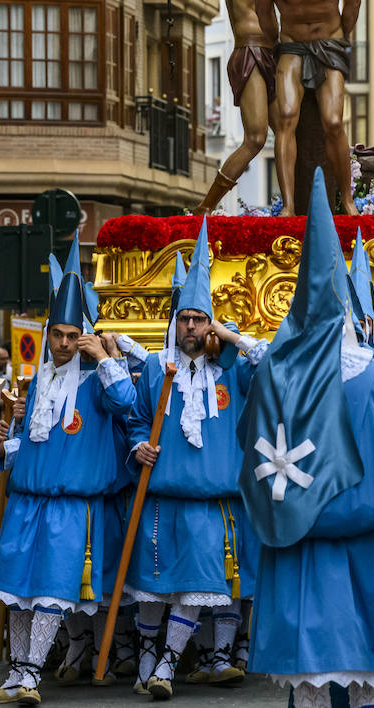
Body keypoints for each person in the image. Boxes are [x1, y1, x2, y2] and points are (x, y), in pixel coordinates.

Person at [240, 168, 374, 708]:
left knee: (313, 674)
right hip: (369, 532)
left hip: (300, 537)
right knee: (372, 665)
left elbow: (250, 447)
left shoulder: (272, 375)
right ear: (347, 311)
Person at [0, 237, 137, 702]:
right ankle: (18, 672)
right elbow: (36, 440)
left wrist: (104, 357)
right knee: (19, 590)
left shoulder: (98, 381)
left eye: (74, 336)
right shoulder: (38, 379)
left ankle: (31, 672)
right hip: (27, 499)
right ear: (47, 334)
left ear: (83, 336)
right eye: (58, 335)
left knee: (51, 589)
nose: (65, 344)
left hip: (73, 506)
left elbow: (127, 403)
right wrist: (2, 448)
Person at [126, 219, 269, 699]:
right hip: (160, 500)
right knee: (152, 590)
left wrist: (230, 337)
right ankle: (147, 666)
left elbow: (273, 365)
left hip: (214, 504)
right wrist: (136, 445)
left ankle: (167, 666)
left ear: (210, 324)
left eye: (199, 320)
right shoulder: (152, 367)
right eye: (185, 319)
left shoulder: (235, 373)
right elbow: (133, 420)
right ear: (175, 323)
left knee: (198, 586)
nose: (191, 328)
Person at [253, 0, 362, 216]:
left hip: (329, 46)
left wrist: (343, 38)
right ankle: (288, 205)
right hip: (291, 46)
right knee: (286, 118)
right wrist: (277, 43)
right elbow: (264, 14)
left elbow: (352, 2)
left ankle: (348, 201)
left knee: (334, 122)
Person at [195, 0, 276, 214]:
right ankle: (206, 206)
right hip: (251, 53)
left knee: (286, 134)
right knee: (255, 139)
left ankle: (295, 205)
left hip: (265, 53)